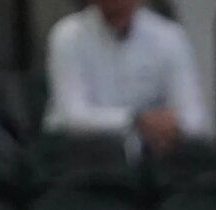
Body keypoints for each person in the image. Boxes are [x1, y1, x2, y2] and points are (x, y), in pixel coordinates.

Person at [44, 0, 207, 152]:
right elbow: (73, 117)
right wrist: (135, 121)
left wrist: (170, 125)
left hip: (151, 153)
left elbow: (195, 117)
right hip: (80, 153)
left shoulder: (169, 36)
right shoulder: (68, 35)